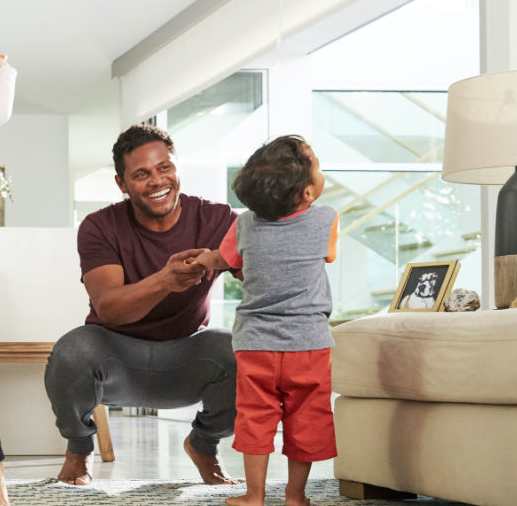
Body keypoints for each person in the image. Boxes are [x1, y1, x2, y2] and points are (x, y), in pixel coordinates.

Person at [44, 124, 241, 486]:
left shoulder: (218, 219)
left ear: (176, 167)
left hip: (186, 358)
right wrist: (165, 280)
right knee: (73, 349)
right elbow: (109, 308)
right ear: (122, 183)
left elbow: (261, 271)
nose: (156, 180)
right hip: (116, 361)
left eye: (164, 167)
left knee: (238, 348)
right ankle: (79, 450)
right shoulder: (99, 227)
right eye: (141, 174)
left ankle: (204, 445)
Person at [193, 135, 339, 506]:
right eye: (318, 167)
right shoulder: (326, 219)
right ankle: (295, 496)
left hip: (255, 344)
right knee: (306, 417)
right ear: (307, 193)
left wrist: (202, 261)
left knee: (255, 418)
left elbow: (224, 261)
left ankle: (254, 496)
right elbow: (329, 256)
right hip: (308, 344)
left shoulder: (244, 226)